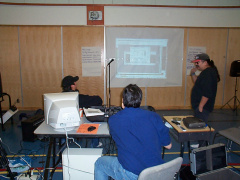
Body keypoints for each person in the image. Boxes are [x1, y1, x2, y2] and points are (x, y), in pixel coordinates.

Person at [94, 84, 172, 180]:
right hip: (156, 173)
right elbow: (168, 146)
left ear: (122, 101)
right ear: (139, 101)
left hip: (131, 173)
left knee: (100, 163)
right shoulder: (154, 116)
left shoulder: (113, 120)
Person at [190, 53, 220, 123]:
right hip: (199, 106)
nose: (196, 64)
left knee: (200, 126)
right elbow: (197, 83)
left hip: (203, 107)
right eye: (196, 62)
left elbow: (207, 92)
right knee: (198, 125)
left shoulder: (208, 73)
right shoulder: (206, 72)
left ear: (205, 62)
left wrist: (201, 106)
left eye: (198, 62)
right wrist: (193, 73)